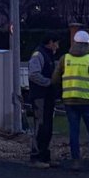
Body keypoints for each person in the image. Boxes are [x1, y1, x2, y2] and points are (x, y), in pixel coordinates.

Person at [52, 30, 89, 171]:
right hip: (88, 101)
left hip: (70, 101)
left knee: (74, 131)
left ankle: (76, 161)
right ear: (87, 44)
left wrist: (61, 92)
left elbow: (55, 79)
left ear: (74, 43)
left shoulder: (65, 59)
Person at [27, 33, 60, 168]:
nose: (57, 46)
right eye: (56, 43)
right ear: (50, 42)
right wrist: (49, 82)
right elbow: (34, 74)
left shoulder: (47, 55)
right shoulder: (39, 55)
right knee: (40, 126)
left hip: (47, 96)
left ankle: (45, 156)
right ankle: (36, 157)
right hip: (40, 96)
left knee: (47, 126)